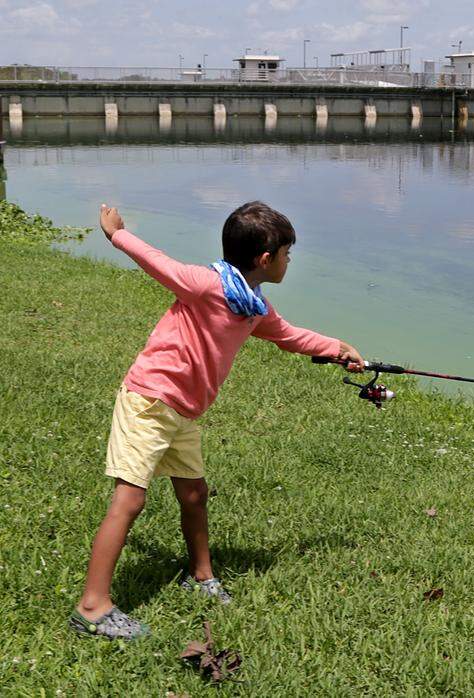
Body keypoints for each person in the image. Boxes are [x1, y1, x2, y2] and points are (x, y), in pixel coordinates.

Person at [69, 201, 362, 640]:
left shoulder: (253, 308)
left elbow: (290, 337)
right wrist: (117, 234)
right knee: (129, 501)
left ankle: (201, 576)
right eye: (287, 253)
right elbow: (157, 262)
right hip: (149, 401)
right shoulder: (205, 285)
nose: (289, 260)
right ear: (265, 259)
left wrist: (337, 347)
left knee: (194, 494)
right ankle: (92, 607)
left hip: (183, 411)